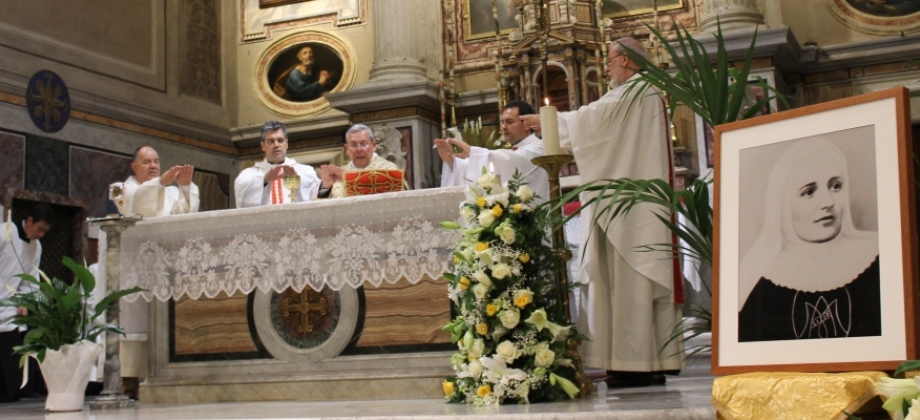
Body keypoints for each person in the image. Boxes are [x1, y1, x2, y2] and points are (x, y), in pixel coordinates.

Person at [521, 37, 683, 387]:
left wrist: (549, 123)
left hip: (628, 207)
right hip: (631, 201)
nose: (606, 68)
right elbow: (597, 127)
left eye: (609, 61)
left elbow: (591, 123)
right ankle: (645, 361)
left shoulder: (636, 92)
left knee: (627, 282)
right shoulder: (646, 92)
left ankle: (634, 363)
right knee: (628, 283)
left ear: (624, 60)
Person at [738, 138, 880, 341]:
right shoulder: (763, 282)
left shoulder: (876, 259)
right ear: (784, 205)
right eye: (809, 192)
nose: (828, 202)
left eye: (836, 186)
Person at [434, 100, 549, 204]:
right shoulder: (515, 151)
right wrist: (452, 161)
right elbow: (486, 165)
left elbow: (515, 159)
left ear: (526, 124)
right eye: (502, 122)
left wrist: (473, 152)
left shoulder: (539, 148)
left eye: (509, 122)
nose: (503, 126)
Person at [0, 204, 52, 402]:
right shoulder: (4, 233)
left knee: (13, 353)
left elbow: (30, 279)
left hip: (10, 309)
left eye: (45, 231)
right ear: (29, 221)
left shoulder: (35, 247)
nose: (41, 235)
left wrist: (25, 301)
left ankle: (13, 391)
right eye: (40, 229)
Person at [235, 121, 321, 208]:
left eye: (280, 140)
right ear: (263, 146)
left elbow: (319, 200)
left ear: (286, 143)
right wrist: (264, 180)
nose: (276, 145)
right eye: (271, 141)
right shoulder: (250, 174)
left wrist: (326, 185)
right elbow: (241, 191)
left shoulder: (305, 171)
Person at [112, 146, 199, 218]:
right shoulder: (119, 189)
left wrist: (185, 187)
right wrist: (161, 181)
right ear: (135, 167)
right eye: (146, 162)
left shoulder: (172, 192)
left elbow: (185, 218)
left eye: (156, 162)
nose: (153, 166)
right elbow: (134, 202)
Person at [318, 124, 400, 199]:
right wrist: (326, 186)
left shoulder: (389, 170)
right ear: (346, 149)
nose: (359, 149)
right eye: (353, 145)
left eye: (364, 144)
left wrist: (347, 179)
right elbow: (322, 208)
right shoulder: (338, 174)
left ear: (374, 146)